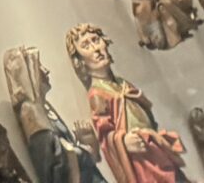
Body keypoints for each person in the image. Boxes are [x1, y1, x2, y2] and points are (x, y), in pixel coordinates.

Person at [68, 24, 186, 183]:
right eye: (86, 46)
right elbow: (105, 136)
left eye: (96, 40)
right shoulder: (98, 94)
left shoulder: (122, 84)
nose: (96, 49)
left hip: (154, 150)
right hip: (141, 162)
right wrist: (123, 141)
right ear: (80, 61)